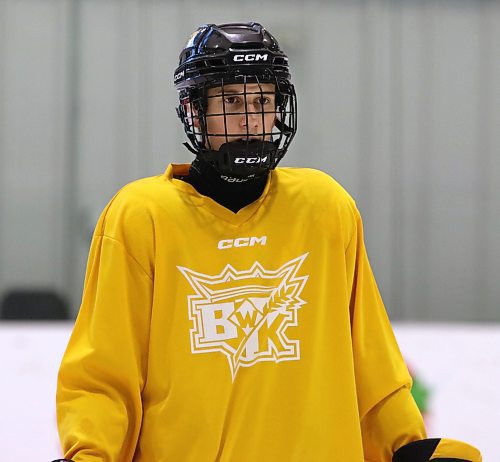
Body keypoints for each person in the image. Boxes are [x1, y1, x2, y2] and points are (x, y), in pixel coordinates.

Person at [53, 22, 481, 462]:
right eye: (231, 101)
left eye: (263, 100)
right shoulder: (142, 217)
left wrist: (406, 447)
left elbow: (371, 363)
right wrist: (91, 453)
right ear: (194, 110)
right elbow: (103, 373)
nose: (250, 119)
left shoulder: (324, 208)